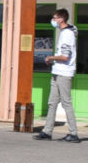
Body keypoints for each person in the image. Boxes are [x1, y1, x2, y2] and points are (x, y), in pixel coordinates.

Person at [34, 8, 79, 143]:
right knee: (52, 103)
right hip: (57, 72)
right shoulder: (67, 31)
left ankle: (73, 133)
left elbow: (65, 56)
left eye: (55, 18)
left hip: (64, 73)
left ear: (61, 19)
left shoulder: (67, 34)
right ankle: (47, 131)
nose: (53, 20)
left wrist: (51, 57)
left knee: (66, 103)